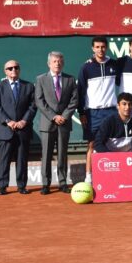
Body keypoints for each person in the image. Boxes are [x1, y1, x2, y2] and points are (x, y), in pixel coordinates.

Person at [0, 60, 37, 195]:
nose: (13, 70)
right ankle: (2, 186)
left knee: (22, 159)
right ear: (5, 71)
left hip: (23, 129)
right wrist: (8, 121)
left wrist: (24, 121)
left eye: (16, 67)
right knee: (4, 159)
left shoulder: (28, 86)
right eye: (10, 68)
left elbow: (33, 106)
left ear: (19, 69)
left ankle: (22, 186)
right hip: (5, 130)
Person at [35, 51, 78, 195]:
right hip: (47, 123)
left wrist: (64, 116)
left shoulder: (70, 79)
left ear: (63, 63)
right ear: (49, 64)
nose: (57, 63)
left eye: (60, 61)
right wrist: (54, 116)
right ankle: (45, 184)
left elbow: (74, 100)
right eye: (54, 61)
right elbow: (39, 101)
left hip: (64, 123)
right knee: (46, 155)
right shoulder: (41, 79)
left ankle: (62, 182)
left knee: (62, 154)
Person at [77, 36, 118, 183]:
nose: (100, 50)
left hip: (112, 111)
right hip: (93, 113)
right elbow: (80, 91)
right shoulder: (86, 67)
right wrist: (81, 112)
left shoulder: (114, 64)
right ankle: (89, 177)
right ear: (93, 49)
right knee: (92, 144)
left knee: (112, 143)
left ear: (106, 48)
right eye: (97, 47)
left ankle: (112, 177)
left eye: (103, 47)